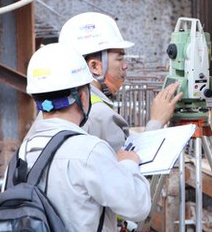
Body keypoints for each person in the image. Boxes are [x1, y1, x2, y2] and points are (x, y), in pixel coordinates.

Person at [22, 42, 151, 232]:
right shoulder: (88, 150)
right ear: (83, 95)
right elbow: (138, 204)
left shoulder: (24, 150)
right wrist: (127, 164)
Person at [59, 12, 182, 151]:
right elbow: (129, 170)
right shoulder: (101, 115)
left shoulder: (56, 107)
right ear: (95, 66)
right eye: (119, 58)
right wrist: (156, 121)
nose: (125, 65)